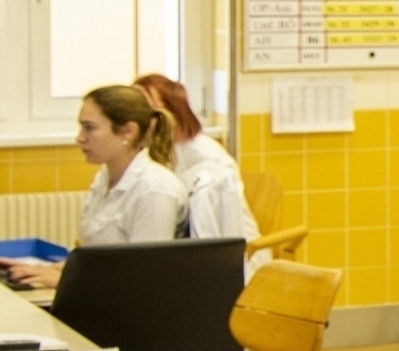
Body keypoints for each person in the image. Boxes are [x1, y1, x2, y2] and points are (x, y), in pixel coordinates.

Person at [2, 85, 189, 288]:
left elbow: (145, 280)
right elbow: (103, 261)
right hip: (103, 301)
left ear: (129, 131)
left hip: (131, 314)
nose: (80, 138)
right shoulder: (105, 177)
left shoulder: (154, 191)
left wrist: (66, 281)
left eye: (89, 127)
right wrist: (48, 269)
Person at [135, 72, 261, 242]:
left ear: (171, 112)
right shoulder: (152, 149)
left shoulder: (207, 156)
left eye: (146, 109)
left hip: (233, 251)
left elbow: (212, 227)